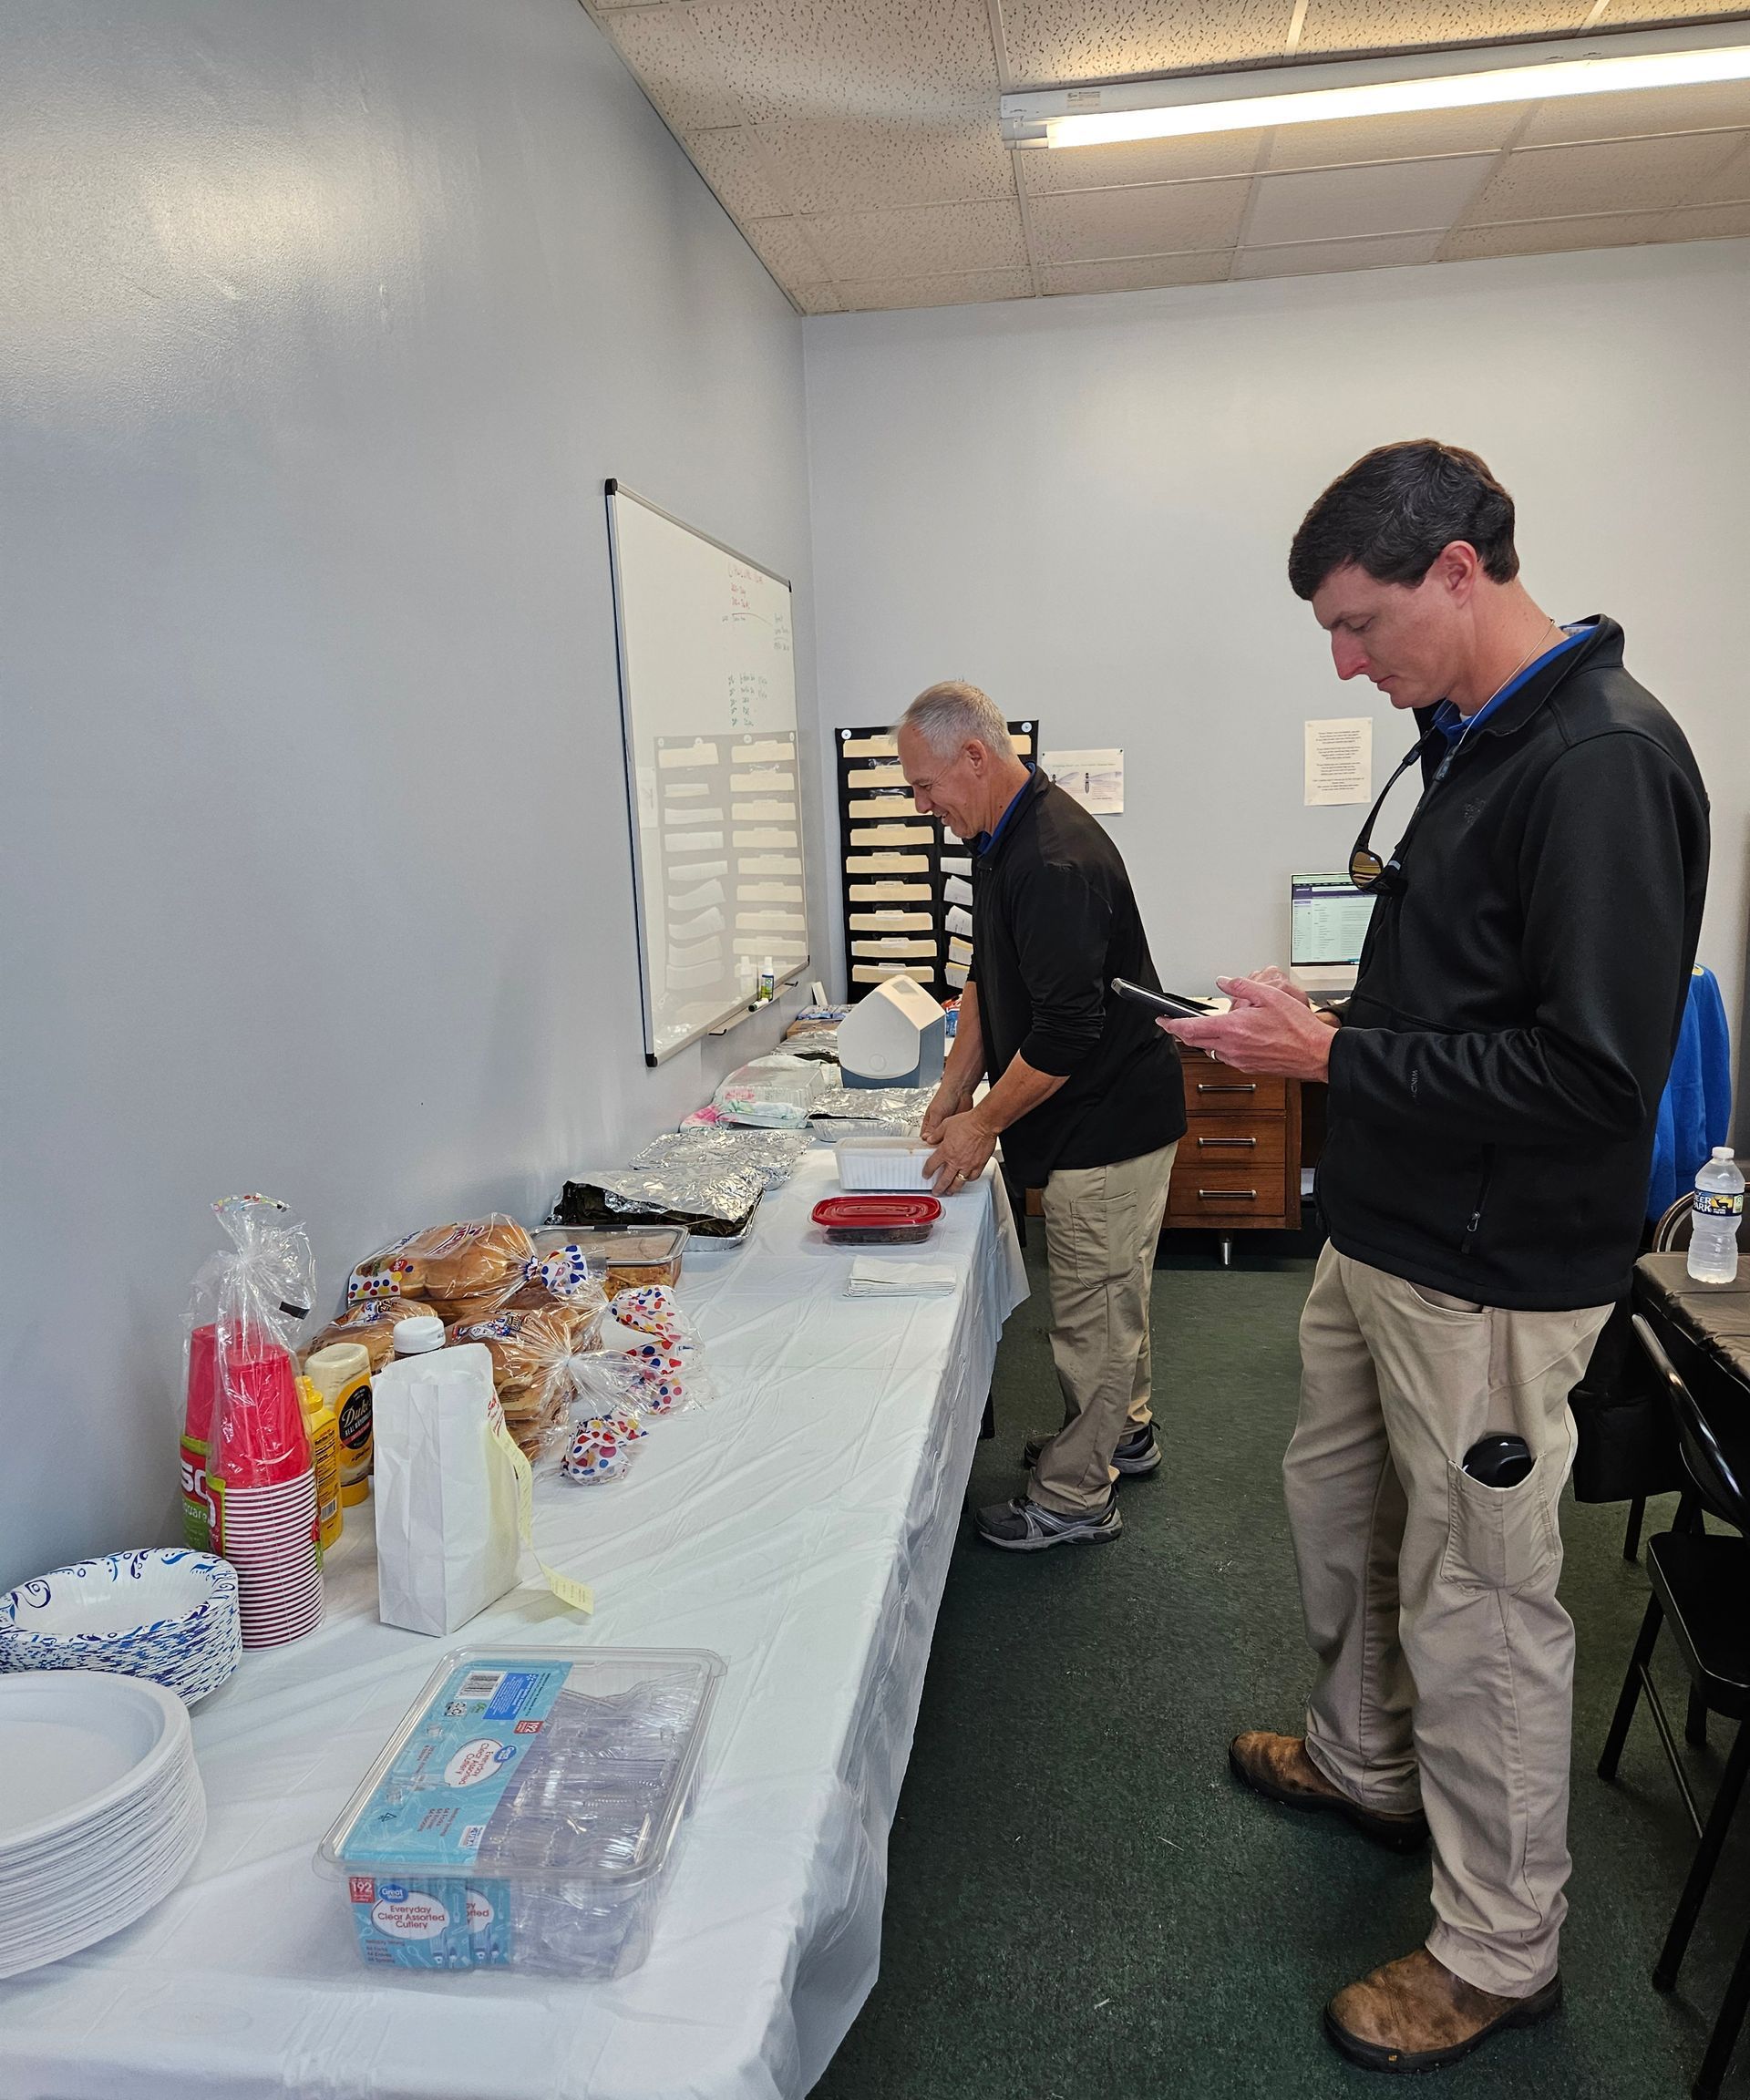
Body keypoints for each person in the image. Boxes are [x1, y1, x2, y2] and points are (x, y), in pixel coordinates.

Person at [1168, 442, 1709, 2074]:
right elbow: (1466, 1011)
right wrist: (1317, 1028)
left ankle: (1499, 1945)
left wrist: (1333, 1067)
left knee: (1478, 1601)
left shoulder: (1602, 762)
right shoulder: (1471, 742)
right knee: (1344, 1522)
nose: (1342, 657)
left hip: (1494, 1276)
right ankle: (1364, 1758)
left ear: (1460, 570)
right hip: (1389, 1238)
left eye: (1357, 620)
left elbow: (1594, 1078)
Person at [895, 681, 1187, 1550]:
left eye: (925, 786)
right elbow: (991, 978)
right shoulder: (1000, 836)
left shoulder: (1052, 857)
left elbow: (1066, 1029)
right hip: (1095, 1112)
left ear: (975, 757)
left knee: (1093, 1313)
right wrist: (953, 1086)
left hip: (1109, 1120)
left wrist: (982, 1125)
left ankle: (1073, 1498)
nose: (922, 806)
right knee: (1114, 1293)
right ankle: (1118, 1435)